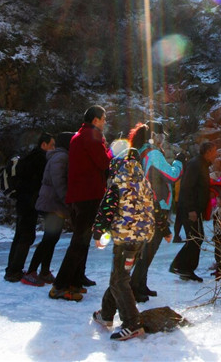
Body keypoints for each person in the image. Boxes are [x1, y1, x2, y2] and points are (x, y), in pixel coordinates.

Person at [92, 142, 156, 341]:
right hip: (140, 239)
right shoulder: (144, 182)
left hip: (125, 238)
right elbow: (154, 207)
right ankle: (106, 314)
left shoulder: (118, 182)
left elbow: (107, 208)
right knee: (120, 277)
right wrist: (163, 227)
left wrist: (98, 232)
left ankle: (132, 322)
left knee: (119, 280)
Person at [49, 105, 110, 301]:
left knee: (81, 240)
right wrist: (108, 150)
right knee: (79, 242)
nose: (105, 122)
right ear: (95, 120)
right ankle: (60, 285)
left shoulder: (78, 135)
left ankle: (74, 281)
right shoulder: (91, 136)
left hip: (78, 195)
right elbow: (103, 162)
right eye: (103, 119)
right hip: (88, 195)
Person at [130, 122, 181, 301]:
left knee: (145, 247)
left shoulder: (141, 151)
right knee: (149, 249)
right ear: (154, 135)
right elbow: (171, 175)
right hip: (156, 205)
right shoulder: (153, 153)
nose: (163, 139)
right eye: (162, 135)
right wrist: (179, 163)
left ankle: (140, 284)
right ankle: (135, 286)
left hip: (144, 205)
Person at [4, 132, 54, 283]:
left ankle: (11, 269)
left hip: (22, 201)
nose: (53, 148)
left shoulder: (29, 157)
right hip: (30, 202)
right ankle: (14, 271)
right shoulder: (40, 159)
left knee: (19, 235)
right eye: (52, 145)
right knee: (27, 236)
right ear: (43, 145)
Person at [23, 132, 71, 286]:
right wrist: (66, 202)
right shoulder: (61, 157)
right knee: (48, 239)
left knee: (52, 238)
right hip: (52, 204)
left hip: (53, 203)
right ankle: (31, 272)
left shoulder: (60, 156)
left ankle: (44, 271)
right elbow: (59, 182)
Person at [169, 141, 217, 282]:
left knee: (196, 238)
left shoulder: (201, 165)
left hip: (195, 209)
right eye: (215, 151)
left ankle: (184, 268)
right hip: (190, 209)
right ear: (208, 152)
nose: (216, 154)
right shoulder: (196, 164)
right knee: (196, 238)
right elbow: (186, 187)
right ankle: (182, 267)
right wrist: (190, 209)